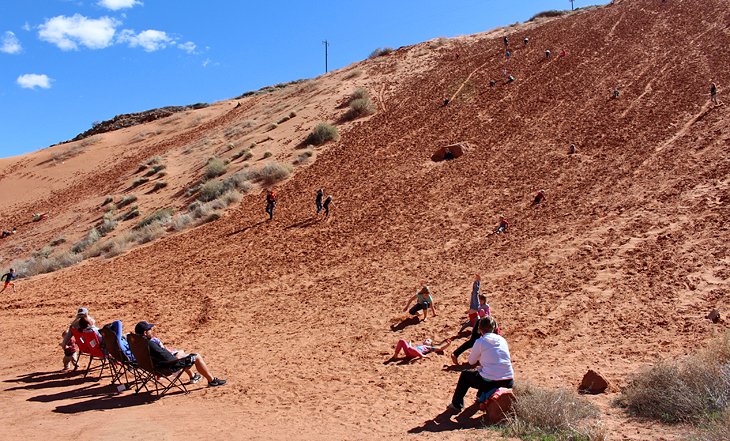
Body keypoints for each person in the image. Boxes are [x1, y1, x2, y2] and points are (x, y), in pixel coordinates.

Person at [448, 316, 514, 412]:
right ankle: (481, 397)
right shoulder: (502, 340)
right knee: (484, 371)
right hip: (508, 381)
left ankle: (456, 404)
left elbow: (471, 362)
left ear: (480, 329)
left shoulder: (480, 341)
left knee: (466, 375)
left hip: (491, 381)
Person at [134, 321, 226, 387]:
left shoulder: (138, 343)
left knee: (181, 355)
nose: (151, 330)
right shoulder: (150, 344)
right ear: (145, 333)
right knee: (196, 356)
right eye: (150, 329)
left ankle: (193, 376)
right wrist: (177, 355)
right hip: (167, 368)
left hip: (155, 367)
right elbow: (169, 359)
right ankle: (212, 381)